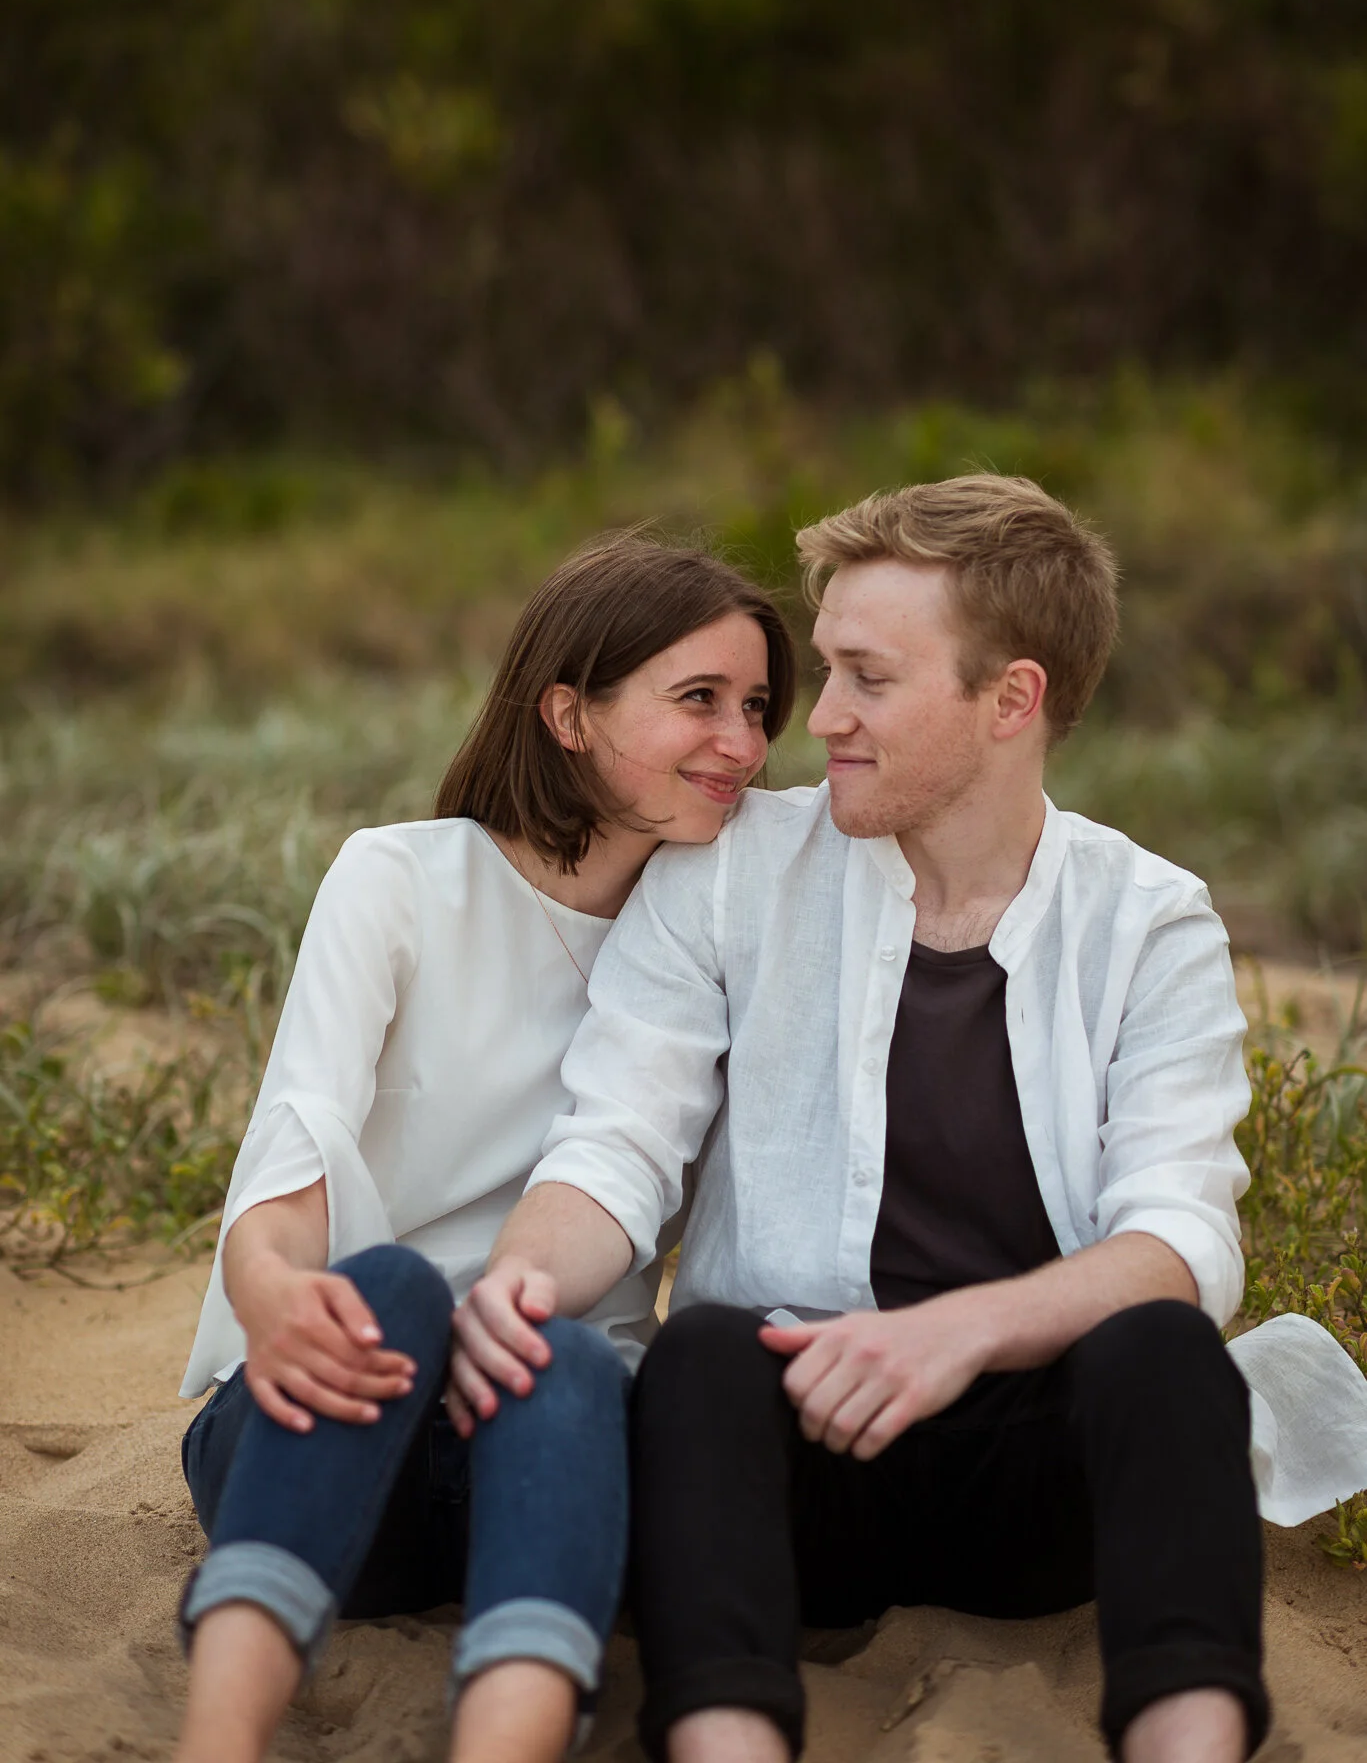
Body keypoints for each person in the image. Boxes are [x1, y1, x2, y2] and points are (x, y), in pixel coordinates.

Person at [450, 475, 1287, 1763]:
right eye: (823, 668)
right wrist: (517, 1284)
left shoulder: (1147, 919)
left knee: (1166, 1349)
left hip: (1031, 1476)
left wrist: (951, 1334)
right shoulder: (726, 874)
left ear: (1009, 698)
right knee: (705, 1354)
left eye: (865, 677)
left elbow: (1179, 1235)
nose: (815, 715)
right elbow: (615, 1142)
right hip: (794, 1466)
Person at [172, 533, 797, 1763]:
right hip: (332, 1407)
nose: (743, 741)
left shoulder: (727, 917)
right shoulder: (401, 877)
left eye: (759, 705)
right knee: (397, 1286)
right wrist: (272, 1294)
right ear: (567, 709)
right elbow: (295, 1146)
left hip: (543, 1458)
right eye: (698, 699)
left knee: (568, 1360)